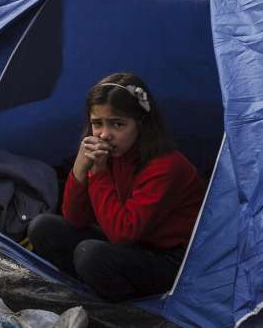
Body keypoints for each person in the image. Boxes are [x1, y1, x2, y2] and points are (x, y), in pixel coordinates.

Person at [27, 73, 205, 302]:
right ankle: (90, 295)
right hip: (130, 245)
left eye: (117, 124)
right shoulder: (110, 154)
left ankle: (130, 314)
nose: (104, 134)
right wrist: (79, 172)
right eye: (97, 123)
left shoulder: (166, 165)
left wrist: (98, 173)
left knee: (90, 255)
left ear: (141, 123)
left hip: (172, 260)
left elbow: (123, 233)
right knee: (43, 226)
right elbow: (75, 218)